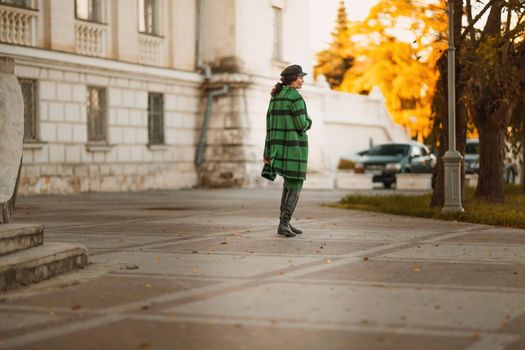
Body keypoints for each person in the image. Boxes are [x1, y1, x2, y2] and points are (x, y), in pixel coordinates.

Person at [261, 64, 312, 237]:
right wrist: (309, 121)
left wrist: (267, 151)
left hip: (277, 147)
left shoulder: (275, 97)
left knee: (288, 184)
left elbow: (269, 126)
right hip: (294, 148)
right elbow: (302, 124)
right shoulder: (295, 98)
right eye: (300, 77)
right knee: (296, 183)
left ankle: (285, 222)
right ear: (293, 79)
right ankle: (283, 223)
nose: (302, 80)